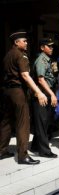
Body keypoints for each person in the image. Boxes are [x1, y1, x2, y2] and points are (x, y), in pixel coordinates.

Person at [0, 31, 47, 164]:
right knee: (23, 123)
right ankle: (23, 156)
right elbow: (25, 76)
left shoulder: (8, 55)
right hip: (18, 92)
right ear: (16, 42)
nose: (26, 43)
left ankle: (2, 150)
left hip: (6, 92)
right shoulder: (21, 55)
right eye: (24, 41)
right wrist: (38, 92)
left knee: (6, 121)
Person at [30, 38, 58, 158]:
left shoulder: (47, 59)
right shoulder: (41, 60)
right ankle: (44, 151)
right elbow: (41, 79)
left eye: (52, 47)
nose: (51, 48)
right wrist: (51, 94)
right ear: (42, 47)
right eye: (49, 46)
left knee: (44, 122)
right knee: (42, 122)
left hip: (46, 91)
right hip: (42, 93)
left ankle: (36, 145)